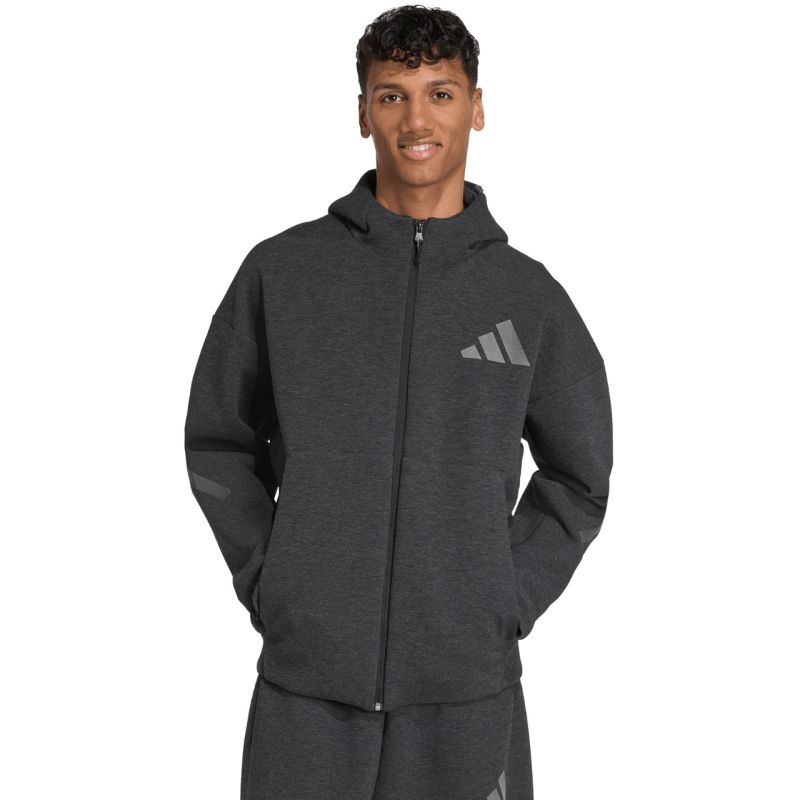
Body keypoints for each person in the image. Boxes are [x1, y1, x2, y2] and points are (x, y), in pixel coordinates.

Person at [184, 5, 613, 799]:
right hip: (307, 693)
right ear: (363, 113)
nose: (417, 121)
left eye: (440, 93)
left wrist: (504, 596)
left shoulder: (526, 298)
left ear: (476, 107)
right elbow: (218, 442)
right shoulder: (285, 274)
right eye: (392, 96)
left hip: (466, 697)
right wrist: (274, 578)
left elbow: (580, 474)